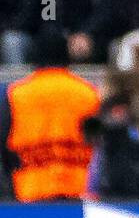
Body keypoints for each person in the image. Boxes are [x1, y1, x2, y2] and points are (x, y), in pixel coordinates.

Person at [0, 28, 100, 201]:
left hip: (29, 192)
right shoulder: (88, 93)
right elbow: (98, 143)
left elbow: (3, 145)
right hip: (77, 192)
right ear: (66, 55)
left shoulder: (16, 94)